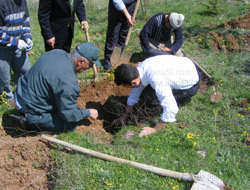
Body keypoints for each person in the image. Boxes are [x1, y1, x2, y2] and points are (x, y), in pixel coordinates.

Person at [14, 42, 102, 133]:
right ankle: (30, 123)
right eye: (90, 65)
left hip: (20, 94)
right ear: (80, 61)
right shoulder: (68, 81)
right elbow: (69, 115)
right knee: (70, 124)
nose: (89, 68)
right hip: (29, 111)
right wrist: (88, 112)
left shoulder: (57, 52)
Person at [112, 55, 200, 137]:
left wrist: (154, 129)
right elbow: (134, 93)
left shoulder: (157, 80)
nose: (129, 88)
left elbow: (171, 108)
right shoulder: (138, 70)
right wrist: (124, 116)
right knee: (146, 94)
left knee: (151, 99)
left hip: (190, 84)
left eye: (127, 86)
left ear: (133, 82)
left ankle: (183, 99)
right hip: (185, 64)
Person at [0, 0, 32, 102]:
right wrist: (16, 42)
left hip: (19, 47)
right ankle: (7, 102)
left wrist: (27, 37)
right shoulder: (2, 3)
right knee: (4, 78)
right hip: (3, 49)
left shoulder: (22, 2)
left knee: (26, 72)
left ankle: (27, 97)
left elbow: (25, 21)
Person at [104, 0, 137, 70]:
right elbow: (117, 1)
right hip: (117, 5)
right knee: (113, 32)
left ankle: (118, 57)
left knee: (125, 31)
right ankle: (109, 60)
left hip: (131, 4)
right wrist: (127, 15)